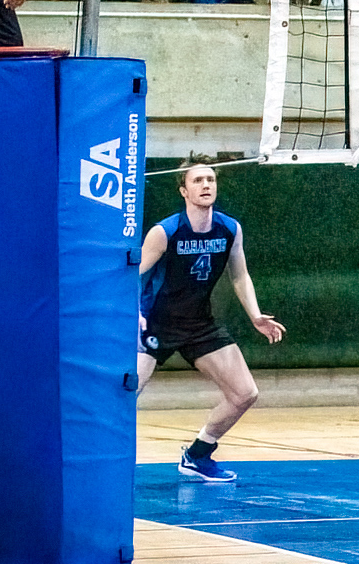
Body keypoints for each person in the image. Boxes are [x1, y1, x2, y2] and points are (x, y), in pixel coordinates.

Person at [137, 160, 286, 483]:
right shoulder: (165, 232)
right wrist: (134, 312)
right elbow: (134, 276)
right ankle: (103, 462)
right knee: (126, 392)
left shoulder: (229, 229)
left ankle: (198, 455)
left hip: (198, 324)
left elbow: (240, 274)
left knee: (245, 393)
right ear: (183, 190)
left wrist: (256, 315)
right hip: (155, 322)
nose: (206, 185)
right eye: (198, 180)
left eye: (211, 179)